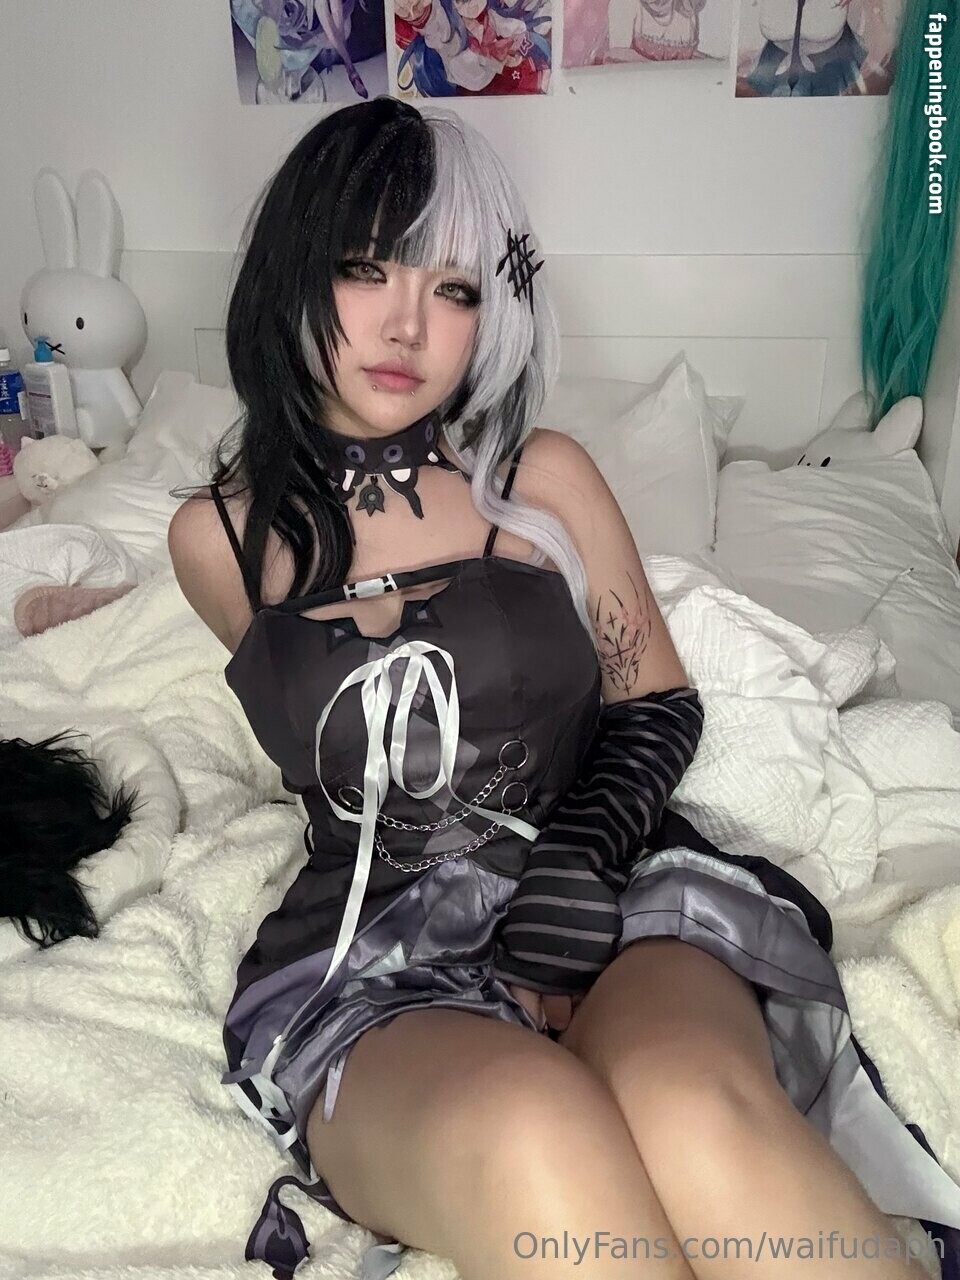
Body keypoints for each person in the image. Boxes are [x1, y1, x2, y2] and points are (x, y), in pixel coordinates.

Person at [168, 96, 960, 1280]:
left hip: (614, 888)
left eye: (454, 287)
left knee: (693, 1110)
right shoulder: (216, 541)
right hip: (374, 954)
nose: (407, 324)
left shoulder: (540, 479)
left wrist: (575, 869)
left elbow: (657, 702)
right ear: (292, 273)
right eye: (363, 267)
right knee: (540, 1134)